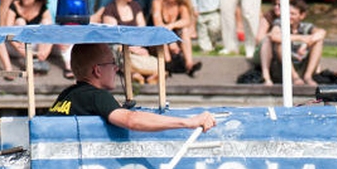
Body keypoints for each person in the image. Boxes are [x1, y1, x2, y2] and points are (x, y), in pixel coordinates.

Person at [46, 43, 216, 133]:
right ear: (97, 70)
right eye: (113, 63)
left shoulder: (68, 94)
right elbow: (131, 120)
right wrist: (188, 122)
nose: (116, 68)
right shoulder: (96, 96)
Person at [102, 0, 159, 84]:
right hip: (122, 49)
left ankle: (139, 73)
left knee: (148, 56)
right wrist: (131, 48)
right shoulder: (110, 10)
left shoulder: (135, 6)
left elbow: (142, 30)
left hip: (137, 46)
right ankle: (141, 74)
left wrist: (138, 47)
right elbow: (114, 36)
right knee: (119, 52)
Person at [263, 0, 325, 86]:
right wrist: (301, 38)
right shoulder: (279, 23)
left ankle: (308, 76)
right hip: (282, 69)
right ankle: (294, 77)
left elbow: (321, 32)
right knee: (280, 43)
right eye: (287, 13)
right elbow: (274, 36)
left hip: (301, 64)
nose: (289, 16)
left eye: (293, 14)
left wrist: (306, 44)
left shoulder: (306, 27)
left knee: (318, 42)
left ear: (302, 15)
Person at [3, 0, 54, 74]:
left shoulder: (42, 7)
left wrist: (45, 52)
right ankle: (27, 60)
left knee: (47, 23)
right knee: (20, 21)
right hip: (16, 46)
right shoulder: (15, 6)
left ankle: (40, 60)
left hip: (35, 47)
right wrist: (23, 51)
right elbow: (7, 33)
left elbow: (51, 32)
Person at [151, 0, 202, 76]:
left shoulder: (181, 5)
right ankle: (167, 63)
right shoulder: (158, 2)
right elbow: (158, 23)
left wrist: (171, 25)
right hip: (157, 37)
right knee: (161, 34)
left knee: (185, 31)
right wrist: (170, 40)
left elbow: (186, 21)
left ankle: (189, 64)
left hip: (172, 35)